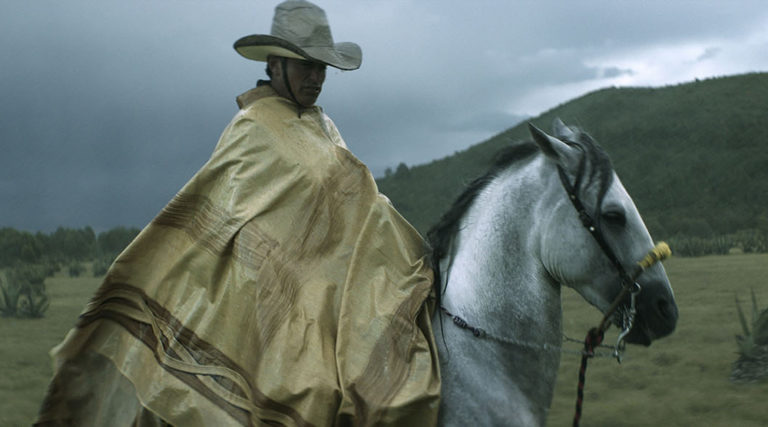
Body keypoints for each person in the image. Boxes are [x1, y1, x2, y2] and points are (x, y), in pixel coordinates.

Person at [35, 1, 440, 426]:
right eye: (306, 66)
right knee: (309, 389)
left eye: (322, 67)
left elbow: (352, 208)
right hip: (262, 293)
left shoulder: (323, 128)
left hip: (334, 288)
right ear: (275, 65)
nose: (317, 77)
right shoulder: (251, 128)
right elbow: (232, 220)